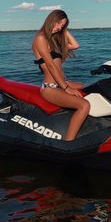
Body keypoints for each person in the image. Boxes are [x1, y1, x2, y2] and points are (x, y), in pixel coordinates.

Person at [32, 9, 90, 141]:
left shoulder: (53, 40)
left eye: (62, 26)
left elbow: (75, 45)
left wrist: (63, 29)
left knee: (90, 88)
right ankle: (68, 142)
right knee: (84, 105)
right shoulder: (40, 38)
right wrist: (66, 88)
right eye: (57, 23)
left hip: (61, 83)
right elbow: (51, 66)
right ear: (50, 20)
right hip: (50, 88)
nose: (58, 28)